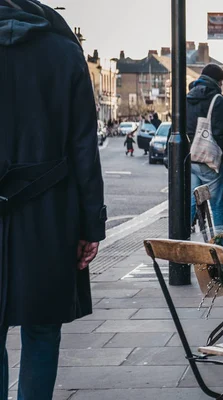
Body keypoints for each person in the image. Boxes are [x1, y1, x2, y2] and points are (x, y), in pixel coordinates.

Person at [0, 1, 106, 398]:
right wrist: (91, 224)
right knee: (42, 329)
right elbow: (83, 147)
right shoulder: (63, 50)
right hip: (50, 212)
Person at [187, 64, 223, 230]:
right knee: (218, 205)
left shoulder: (187, 97)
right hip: (209, 160)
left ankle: (183, 244)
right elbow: (220, 134)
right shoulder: (217, 100)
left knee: (191, 202)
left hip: (190, 159)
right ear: (218, 81)